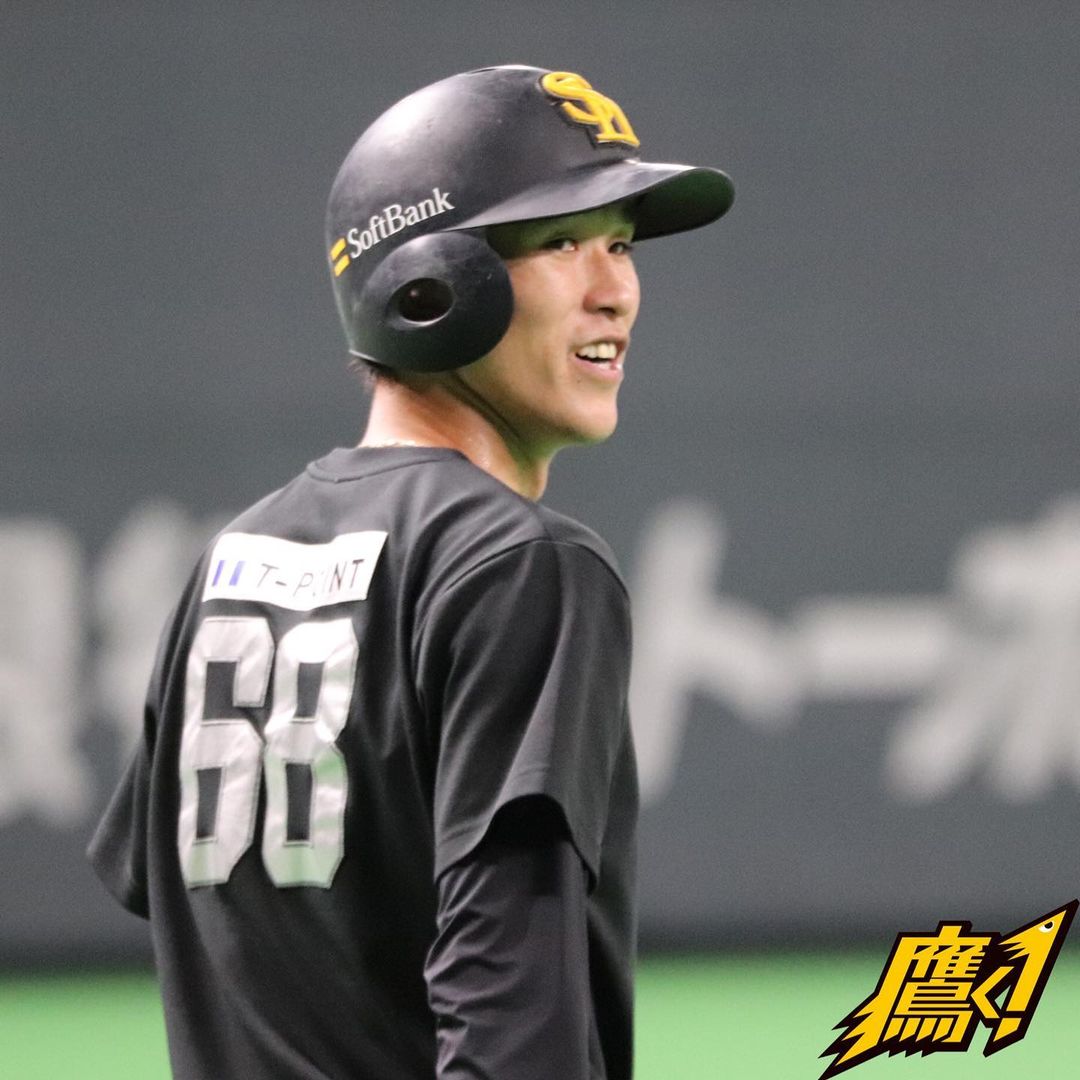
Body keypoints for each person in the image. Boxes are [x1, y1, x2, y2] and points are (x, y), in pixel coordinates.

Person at [88, 65, 734, 1079]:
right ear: (432, 287)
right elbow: (508, 1001)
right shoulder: (521, 564)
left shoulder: (234, 559)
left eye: (619, 244)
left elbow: (175, 899)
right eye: (561, 242)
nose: (615, 289)